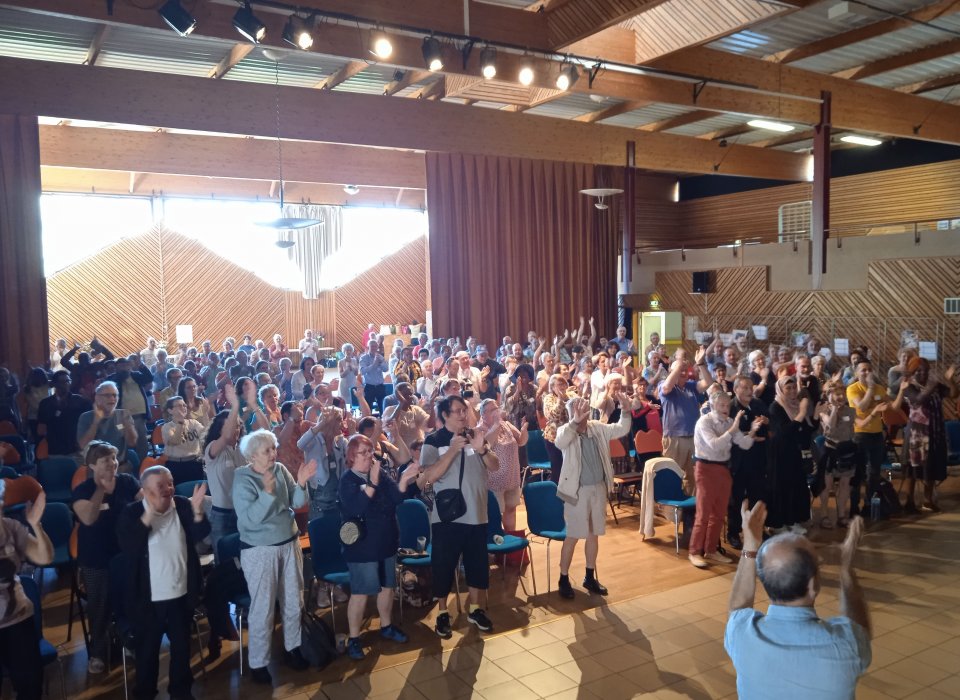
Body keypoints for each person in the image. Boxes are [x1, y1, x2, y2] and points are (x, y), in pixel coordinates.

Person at [726, 501, 871, 699]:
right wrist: (846, 570)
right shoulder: (846, 644)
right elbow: (860, 628)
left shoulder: (742, 634)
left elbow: (738, 607)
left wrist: (750, 545)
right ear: (813, 586)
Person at [232, 430, 317, 684]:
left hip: (288, 542)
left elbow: (297, 501)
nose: (273, 453)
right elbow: (249, 519)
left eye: (273, 448)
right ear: (252, 455)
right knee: (263, 607)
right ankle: (259, 662)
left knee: (294, 599)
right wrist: (267, 494)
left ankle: (293, 649)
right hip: (259, 550)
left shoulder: (280, 469)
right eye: (267, 450)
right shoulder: (242, 478)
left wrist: (301, 484)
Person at [117, 467, 209, 700]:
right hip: (147, 600)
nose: (168, 489)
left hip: (181, 593)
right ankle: (145, 694)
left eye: (170, 483)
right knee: (147, 653)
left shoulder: (181, 504)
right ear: (146, 491)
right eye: (161, 486)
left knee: (181, 649)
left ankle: (181, 692)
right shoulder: (132, 512)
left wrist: (197, 511)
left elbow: (201, 533)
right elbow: (129, 546)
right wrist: (150, 514)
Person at [420, 396, 499, 638]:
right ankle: (443, 612)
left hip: (477, 513)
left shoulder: (475, 435)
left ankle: (475, 609)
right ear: (444, 415)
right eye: (457, 411)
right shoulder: (433, 441)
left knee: (477, 565)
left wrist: (482, 448)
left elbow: (494, 466)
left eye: (464, 410)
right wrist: (452, 450)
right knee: (443, 566)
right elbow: (427, 479)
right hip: (447, 517)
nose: (463, 415)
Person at [338, 433, 419, 659]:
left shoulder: (379, 473)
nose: (369, 456)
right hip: (362, 549)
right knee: (361, 592)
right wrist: (373, 481)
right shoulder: (348, 480)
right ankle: (354, 638)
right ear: (352, 457)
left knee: (387, 588)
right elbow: (357, 508)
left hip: (386, 542)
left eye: (370, 451)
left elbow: (397, 498)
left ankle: (386, 626)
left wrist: (405, 479)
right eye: (363, 453)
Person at [554, 394, 637, 599]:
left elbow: (622, 428)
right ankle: (563, 578)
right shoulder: (566, 431)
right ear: (572, 411)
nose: (584, 410)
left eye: (585, 406)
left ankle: (589, 576)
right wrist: (574, 421)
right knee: (573, 535)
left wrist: (625, 410)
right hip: (577, 492)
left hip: (598, 489)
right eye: (578, 407)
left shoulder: (596, 427)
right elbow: (559, 442)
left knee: (593, 534)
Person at [72, 441, 141, 674]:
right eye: (105, 461)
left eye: (113, 458)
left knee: (130, 600)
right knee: (99, 606)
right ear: (92, 465)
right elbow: (89, 519)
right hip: (96, 557)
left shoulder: (128, 482)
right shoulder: (82, 490)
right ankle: (98, 652)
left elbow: (144, 505)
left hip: (125, 554)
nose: (112, 464)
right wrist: (100, 489)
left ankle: (130, 641)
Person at [689, 392, 762, 568]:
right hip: (705, 468)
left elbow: (744, 444)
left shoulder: (730, 423)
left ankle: (711, 550)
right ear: (713, 406)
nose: (725, 409)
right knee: (703, 513)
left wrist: (752, 431)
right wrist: (734, 428)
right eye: (721, 405)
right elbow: (715, 444)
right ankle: (694, 552)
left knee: (719, 514)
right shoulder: (704, 422)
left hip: (723, 468)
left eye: (727, 406)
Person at [0, 480, 53, 700]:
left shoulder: (10, 527)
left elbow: (45, 556)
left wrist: (35, 525)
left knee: (31, 686)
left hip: (17, 618)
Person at [891, 358, 958, 513]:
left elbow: (954, 394)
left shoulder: (935, 386)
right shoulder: (908, 386)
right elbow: (918, 400)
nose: (923, 373)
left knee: (931, 467)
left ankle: (928, 501)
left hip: (935, 431)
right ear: (913, 372)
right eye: (919, 370)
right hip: (917, 434)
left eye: (926, 370)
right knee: (913, 470)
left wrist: (950, 381)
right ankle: (908, 502)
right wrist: (931, 386)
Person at [659, 347, 712, 496]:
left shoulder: (691, 386)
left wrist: (701, 364)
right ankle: (671, 513)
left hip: (693, 438)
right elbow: (667, 387)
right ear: (671, 370)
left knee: (693, 477)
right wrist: (679, 363)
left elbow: (708, 383)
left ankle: (689, 512)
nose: (682, 371)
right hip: (674, 438)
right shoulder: (665, 385)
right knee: (672, 475)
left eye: (684, 369)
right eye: (679, 369)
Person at [726, 377, 769, 550]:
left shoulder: (758, 404)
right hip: (738, 460)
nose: (749, 391)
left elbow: (768, 427)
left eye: (751, 387)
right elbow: (730, 433)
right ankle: (734, 532)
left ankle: (756, 528)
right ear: (736, 390)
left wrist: (766, 423)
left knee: (757, 495)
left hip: (758, 458)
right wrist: (750, 434)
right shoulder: (730, 407)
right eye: (744, 388)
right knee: (736, 498)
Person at [767, 376, 814, 534]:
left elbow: (805, 431)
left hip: (794, 453)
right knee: (782, 488)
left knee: (795, 486)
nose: (793, 391)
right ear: (781, 389)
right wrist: (801, 413)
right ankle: (779, 524)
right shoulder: (775, 407)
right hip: (780, 454)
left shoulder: (794, 405)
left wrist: (814, 417)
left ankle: (793, 520)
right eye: (788, 388)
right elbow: (784, 432)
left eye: (794, 388)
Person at [203, 384, 242, 562]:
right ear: (220, 430)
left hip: (242, 512)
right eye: (232, 426)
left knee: (243, 560)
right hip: (222, 514)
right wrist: (234, 405)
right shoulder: (213, 449)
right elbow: (226, 437)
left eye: (238, 426)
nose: (236, 429)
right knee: (224, 562)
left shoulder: (241, 450)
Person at [846, 360, 889, 516]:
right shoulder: (852, 389)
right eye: (863, 370)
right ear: (856, 373)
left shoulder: (880, 388)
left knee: (874, 472)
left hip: (877, 434)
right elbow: (862, 407)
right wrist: (870, 388)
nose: (867, 372)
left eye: (869, 369)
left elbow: (891, 405)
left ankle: (869, 504)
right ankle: (854, 506)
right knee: (858, 472)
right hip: (859, 434)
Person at [477, 398, 526, 531]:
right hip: (493, 481)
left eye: (496, 408)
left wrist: (524, 430)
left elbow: (521, 441)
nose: (496, 411)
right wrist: (496, 425)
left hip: (512, 477)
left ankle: (510, 538)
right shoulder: (480, 429)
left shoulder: (506, 424)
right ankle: (496, 543)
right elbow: (487, 445)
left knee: (511, 509)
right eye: (492, 410)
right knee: (495, 514)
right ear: (483, 415)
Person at [816, 381, 858, 528]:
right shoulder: (823, 411)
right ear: (828, 396)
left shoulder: (851, 411)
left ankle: (841, 515)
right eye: (835, 394)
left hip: (846, 451)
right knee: (827, 485)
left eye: (841, 394)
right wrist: (833, 409)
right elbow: (831, 429)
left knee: (845, 484)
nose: (839, 397)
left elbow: (848, 431)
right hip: (830, 451)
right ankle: (824, 514)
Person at [77, 381, 139, 472]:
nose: (112, 399)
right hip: (97, 470)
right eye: (107, 395)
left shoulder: (123, 414)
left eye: (115, 395)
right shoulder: (85, 417)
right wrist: (96, 422)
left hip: (120, 467)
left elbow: (132, 442)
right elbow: (83, 445)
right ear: (97, 398)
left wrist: (128, 426)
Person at [36, 369, 92, 458]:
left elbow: (90, 421)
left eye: (68, 381)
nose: (66, 384)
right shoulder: (45, 403)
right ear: (54, 384)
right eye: (62, 382)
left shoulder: (80, 401)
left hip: (75, 447)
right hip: (54, 448)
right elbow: (41, 430)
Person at [160, 396, 205, 485]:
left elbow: (207, 434)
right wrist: (180, 423)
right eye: (179, 406)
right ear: (170, 410)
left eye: (184, 405)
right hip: (177, 465)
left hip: (195, 463)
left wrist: (205, 413)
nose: (183, 407)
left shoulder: (193, 423)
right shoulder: (167, 427)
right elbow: (176, 441)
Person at [359, 339, 389, 414]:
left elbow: (386, 369)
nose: (374, 348)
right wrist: (374, 364)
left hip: (380, 386)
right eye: (372, 346)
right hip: (369, 387)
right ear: (368, 347)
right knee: (368, 408)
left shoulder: (380, 357)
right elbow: (362, 371)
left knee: (383, 408)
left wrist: (381, 363)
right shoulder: (363, 358)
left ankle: (383, 423)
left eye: (375, 346)